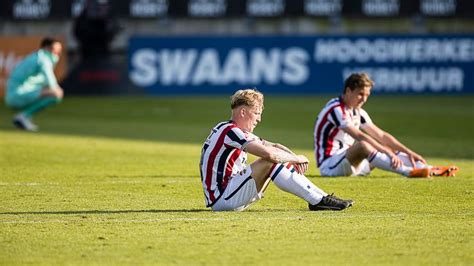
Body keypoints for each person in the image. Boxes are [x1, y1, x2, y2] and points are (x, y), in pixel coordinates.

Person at [199, 88, 354, 212]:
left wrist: (292, 156)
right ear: (243, 112)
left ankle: (322, 197)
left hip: (227, 196)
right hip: (223, 199)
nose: (259, 119)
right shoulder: (231, 131)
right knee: (270, 160)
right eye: (257, 113)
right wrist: (297, 158)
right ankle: (318, 200)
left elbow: (274, 146)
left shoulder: (228, 129)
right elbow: (269, 154)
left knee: (275, 157)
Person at [313, 72, 458, 178]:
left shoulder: (358, 112)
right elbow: (358, 135)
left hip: (351, 164)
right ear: (348, 90)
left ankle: (430, 169)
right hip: (330, 165)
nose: (363, 99)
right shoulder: (336, 109)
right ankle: (408, 172)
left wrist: (408, 152)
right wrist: (386, 151)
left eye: (367, 95)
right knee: (364, 146)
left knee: (383, 148)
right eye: (360, 94)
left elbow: (381, 135)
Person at [5, 37, 64, 131]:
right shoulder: (44, 59)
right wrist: (56, 89)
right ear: (46, 48)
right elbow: (50, 81)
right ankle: (24, 116)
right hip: (18, 95)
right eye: (55, 50)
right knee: (56, 94)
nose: (57, 54)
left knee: (48, 91)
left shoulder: (35, 56)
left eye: (59, 51)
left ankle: (25, 117)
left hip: (13, 95)